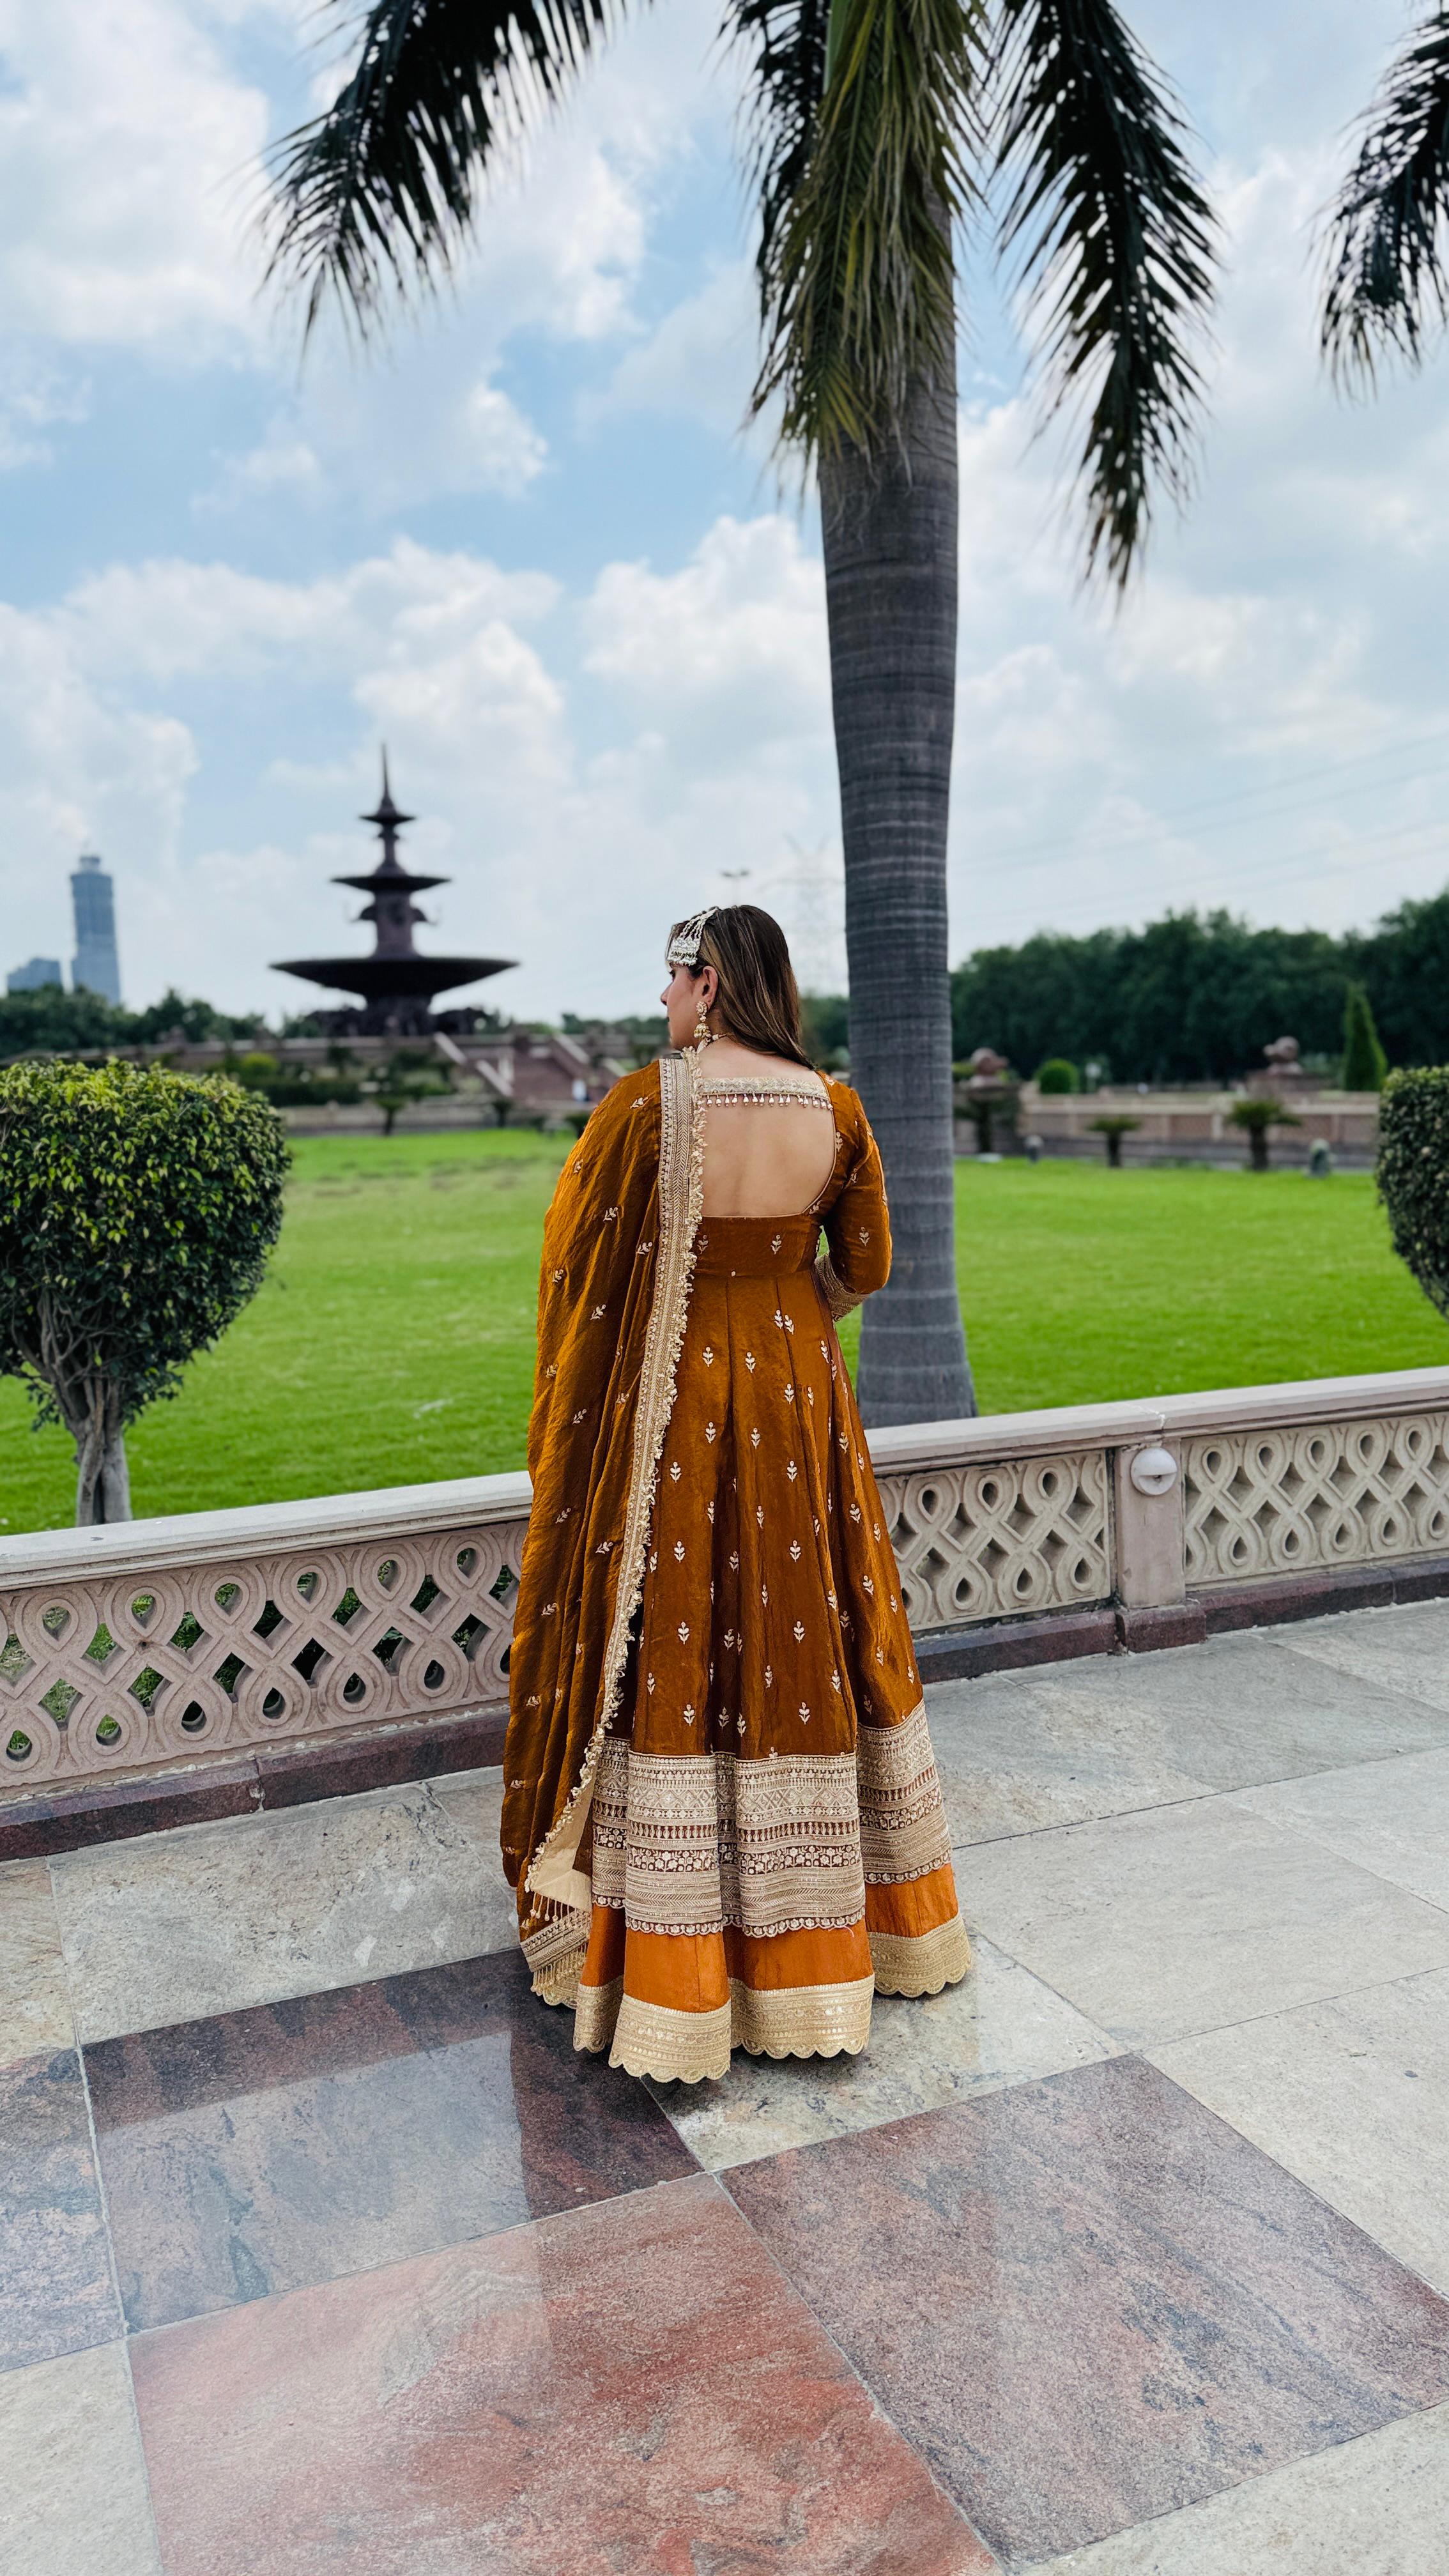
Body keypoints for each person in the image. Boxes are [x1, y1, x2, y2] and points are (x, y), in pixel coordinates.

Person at [501, 904, 969, 2083]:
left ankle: (678, 1962)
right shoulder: (838, 1108)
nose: (663, 1001)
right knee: (807, 1629)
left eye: (670, 979)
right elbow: (868, 1265)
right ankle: (841, 1938)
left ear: (709, 982)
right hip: (798, 1399)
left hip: (677, 1413)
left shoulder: (644, 1108)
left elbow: (577, 1268)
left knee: (683, 1643)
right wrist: (785, 1303)